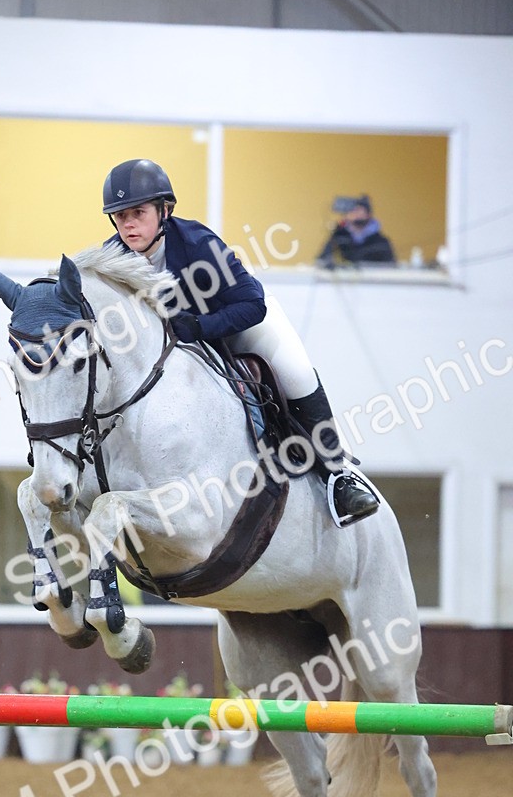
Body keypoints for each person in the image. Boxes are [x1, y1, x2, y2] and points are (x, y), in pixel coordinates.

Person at [102, 158, 379, 524]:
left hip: (239, 326)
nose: (129, 224)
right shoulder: (110, 259)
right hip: (177, 354)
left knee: (294, 369)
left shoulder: (198, 243)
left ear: (164, 210)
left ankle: (339, 474)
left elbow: (252, 304)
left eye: (138, 212)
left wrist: (200, 326)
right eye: (120, 216)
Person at [316, 195, 396, 268]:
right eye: (353, 210)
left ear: (368, 214)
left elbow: (390, 267)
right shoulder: (337, 237)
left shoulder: (381, 242)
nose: (356, 214)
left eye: (359, 210)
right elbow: (322, 261)